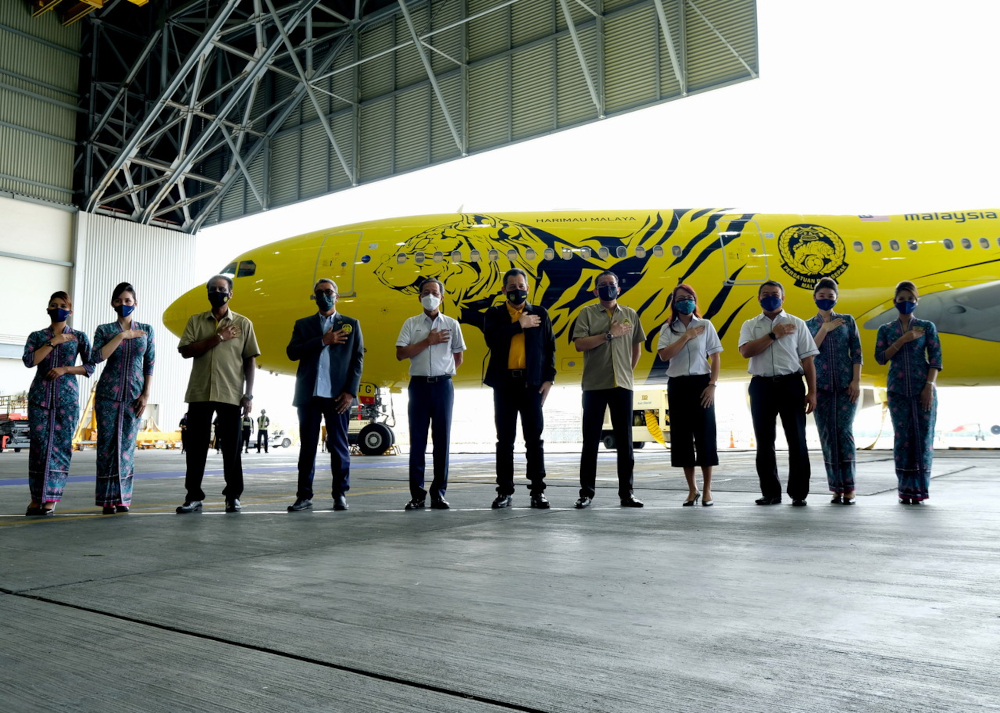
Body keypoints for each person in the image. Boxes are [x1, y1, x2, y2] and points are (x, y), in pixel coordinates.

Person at [175, 274, 259, 513]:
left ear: (230, 293)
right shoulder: (196, 321)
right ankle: (194, 496)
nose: (217, 293)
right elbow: (186, 351)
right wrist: (219, 338)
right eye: (212, 289)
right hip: (200, 392)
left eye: (222, 289)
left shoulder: (243, 324)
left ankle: (233, 496)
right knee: (196, 448)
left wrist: (249, 395)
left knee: (232, 449)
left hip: (230, 393)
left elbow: (250, 360)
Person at [286, 279, 364, 512]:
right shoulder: (303, 325)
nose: (324, 296)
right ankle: (304, 496)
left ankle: (340, 494)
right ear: (314, 297)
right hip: (309, 395)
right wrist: (322, 341)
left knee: (339, 446)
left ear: (337, 296)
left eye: (328, 292)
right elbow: (292, 352)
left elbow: (357, 359)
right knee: (307, 448)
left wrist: (350, 392)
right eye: (319, 292)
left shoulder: (351, 324)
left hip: (338, 396)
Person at [738, 280, 818, 506]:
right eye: (765, 294)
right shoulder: (750, 324)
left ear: (783, 298)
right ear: (758, 298)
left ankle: (799, 493)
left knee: (797, 440)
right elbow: (746, 351)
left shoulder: (797, 323)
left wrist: (812, 392)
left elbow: (808, 360)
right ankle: (770, 492)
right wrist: (773, 335)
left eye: (775, 294)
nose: (770, 297)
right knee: (764, 441)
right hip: (761, 386)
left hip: (790, 384)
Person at [482, 268, 556, 509]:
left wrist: (549, 379)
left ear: (528, 288)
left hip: (531, 384)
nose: (517, 290)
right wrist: (519, 325)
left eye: (521, 286)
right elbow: (492, 341)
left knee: (534, 439)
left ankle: (538, 491)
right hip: (504, 384)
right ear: (504, 290)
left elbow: (549, 347)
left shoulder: (540, 313)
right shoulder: (494, 314)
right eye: (512, 287)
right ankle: (504, 491)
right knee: (505, 440)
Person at [572, 270, 646, 508]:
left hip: (622, 385)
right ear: (596, 291)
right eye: (603, 285)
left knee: (625, 442)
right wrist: (608, 335)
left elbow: (636, 347)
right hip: (594, 385)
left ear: (618, 289)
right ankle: (586, 493)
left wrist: (627, 371)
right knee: (590, 441)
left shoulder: (630, 314)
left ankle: (627, 493)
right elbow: (580, 344)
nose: (608, 288)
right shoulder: (586, 313)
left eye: (611, 284)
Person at [395, 278, 466, 510]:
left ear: (442, 298)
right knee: (417, 441)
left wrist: (443, 372)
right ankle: (417, 495)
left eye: (435, 293)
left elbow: (458, 356)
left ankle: (438, 494)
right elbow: (401, 354)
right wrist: (428, 341)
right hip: (419, 386)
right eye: (426, 292)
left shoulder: (452, 324)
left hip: (443, 386)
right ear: (419, 297)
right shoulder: (411, 323)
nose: (430, 296)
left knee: (442, 441)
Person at [22, 291, 94, 516]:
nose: (58, 309)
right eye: (54, 305)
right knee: (39, 448)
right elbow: (29, 361)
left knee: (61, 448)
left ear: (70, 310)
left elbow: (89, 367)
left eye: (63, 305)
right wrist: (53, 342)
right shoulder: (37, 336)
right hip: (40, 397)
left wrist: (65, 369)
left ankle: (51, 498)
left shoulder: (79, 337)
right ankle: (36, 497)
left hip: (67, 399)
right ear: (47, 309)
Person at [90, 282, 155, 515]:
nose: (123, 304)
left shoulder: (146, 330)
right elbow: (97, 357)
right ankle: (107, 500)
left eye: (128, 300)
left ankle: (123, 498)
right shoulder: (104, 330)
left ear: (135, 303)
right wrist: (122, 336)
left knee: (127, 446)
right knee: (106, 446)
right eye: (119, 301)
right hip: (108, 394)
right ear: (113, 304)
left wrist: (146, 395)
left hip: (134, 396)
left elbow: (149, 363)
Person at [874, 280, 942, 504]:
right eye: (901, 299)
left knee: (923, 438)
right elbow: (880, 358)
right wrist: (902, 340)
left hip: (923, 387)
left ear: (917, 301)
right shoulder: (886, 329)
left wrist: (929, 386)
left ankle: (920, 490)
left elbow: (935, 359)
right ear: (895, 302)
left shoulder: (926, 327)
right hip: (897, 390)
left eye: (910, 299)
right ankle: (905, 489)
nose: (906, 302)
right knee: (902, 439)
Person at [656, 284, 722, 506]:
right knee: (682, 438)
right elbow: (665, 355)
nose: (686, 301)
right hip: (678, 385)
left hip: (702, 383)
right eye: (681, 298)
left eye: (689, 297)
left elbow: (715, 356)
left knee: (705, 435)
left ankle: (707, 490)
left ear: (695, 300)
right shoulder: (667, 329)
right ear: (674, 303)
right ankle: (692, 489)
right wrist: (686, 336)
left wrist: (712, 384)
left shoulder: (705, 325)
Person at [805, 278, 862, 504]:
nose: (826, 299)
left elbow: (856, 353)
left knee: (844, 433)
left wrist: (856, 381)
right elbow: (807, 354)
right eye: (822, 296)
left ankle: (849, 488)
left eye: (830, 296)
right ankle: (836, 488)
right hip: (821, 387)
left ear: (836, 298)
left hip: (846, 386)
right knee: (827, 436)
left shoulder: (847, 320)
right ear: (814, 298)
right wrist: (824, 329)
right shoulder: (808, 325)